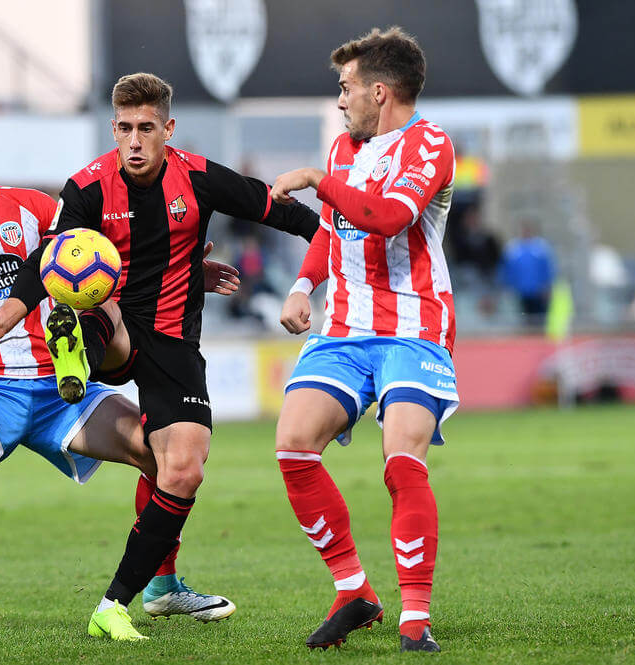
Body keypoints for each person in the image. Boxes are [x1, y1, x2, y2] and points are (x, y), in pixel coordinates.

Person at [0, 98, 241, 646]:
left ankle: (161, 586)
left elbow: (104, 255)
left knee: (166, 457)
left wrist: (187, 268)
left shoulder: (33, 207)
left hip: (59, 382)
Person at [0, 73, 319, 641]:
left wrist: (341, 250)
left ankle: (129, 599)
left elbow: (283, 212)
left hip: (173, 342)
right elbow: (42, 260)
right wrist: (7, 315)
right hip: (113, 326)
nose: (133, 140)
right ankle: (73, 346)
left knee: (182, 465)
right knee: (89, 290)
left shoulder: (197, 176)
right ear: (113, 128)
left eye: (145, 128)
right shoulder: (87, 187)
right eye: (124, 128)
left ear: (167, 130)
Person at [269, 27, 458, 653]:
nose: (341, 99)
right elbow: (336, 228)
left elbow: (388, 218)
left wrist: (315, 181)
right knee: (294, 445)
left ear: (381, 92)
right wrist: (302, 285)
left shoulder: (431, 145)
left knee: (401, 460)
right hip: (345, 328)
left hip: (412, 327)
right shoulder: (343, 150)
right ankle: (354, 591)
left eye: (347, 88)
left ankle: (415, 618)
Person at [499, 219, 556, 326]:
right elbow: (507, 269)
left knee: (539, 319)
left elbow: (547, 269)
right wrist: (508, 286)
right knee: (522, 319)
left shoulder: (541, 248)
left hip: (537, 291)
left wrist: (547, 286)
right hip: (520, 291)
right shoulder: (513, 248)